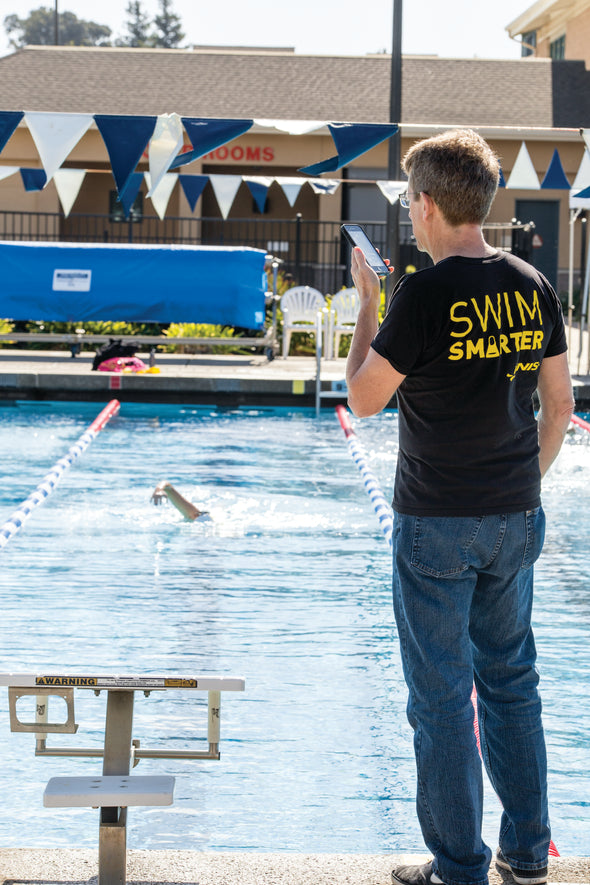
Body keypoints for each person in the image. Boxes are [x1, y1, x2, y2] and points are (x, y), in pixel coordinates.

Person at [345, 129, 575, 885]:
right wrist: (523, 484)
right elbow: (559, 407)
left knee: (441, 699)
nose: (409, 213)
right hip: (515, 517)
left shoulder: (425, 293)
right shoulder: (531, 283)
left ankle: (458, 866)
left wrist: (369, 305)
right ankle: (527, 851)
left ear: (433, 202)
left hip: (437, 522)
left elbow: (364, 399)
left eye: (412, 199)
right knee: (513, 681)